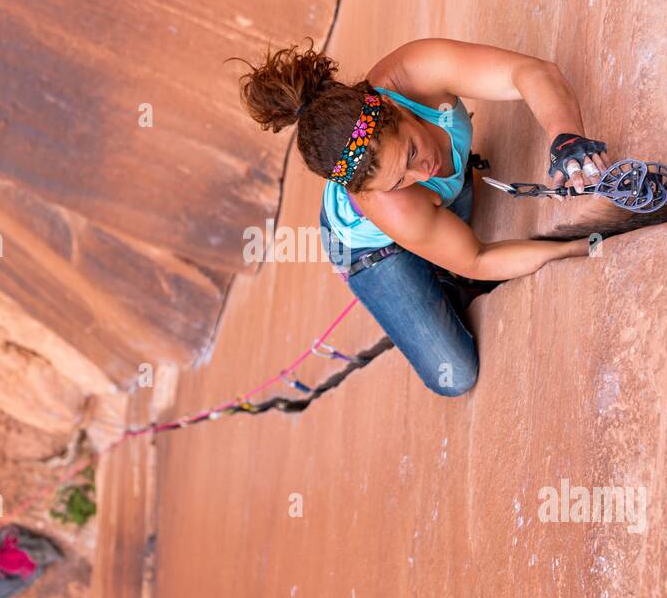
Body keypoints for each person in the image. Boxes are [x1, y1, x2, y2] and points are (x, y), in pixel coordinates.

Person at [235, 37, 612, 397]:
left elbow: (530, 72)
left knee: (442, 205)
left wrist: (566, 137)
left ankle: (436, 256)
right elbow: (478, 258)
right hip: (370, 253)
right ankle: (431, 271)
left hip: (423, 213)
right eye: (401, 179)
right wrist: (571, 250)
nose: (425, 173)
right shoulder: (393, 204)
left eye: (412, 151)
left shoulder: (415, 72)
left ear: (395, 107)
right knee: (455, 374)